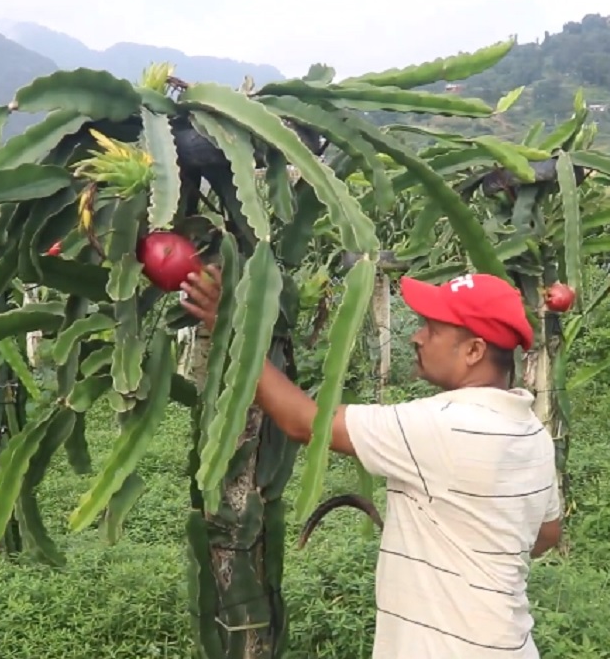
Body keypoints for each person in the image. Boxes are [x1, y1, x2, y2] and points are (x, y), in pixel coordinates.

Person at [180, 266, 562, 659]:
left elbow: (304, 421)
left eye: (432, 328)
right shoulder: (531, 431)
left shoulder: (441, 426)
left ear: (473, 351)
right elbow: (546, 535)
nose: (417, 337)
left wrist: (234, 330)